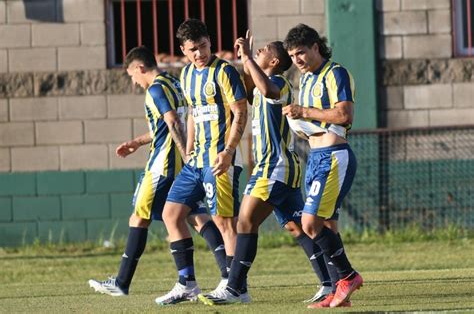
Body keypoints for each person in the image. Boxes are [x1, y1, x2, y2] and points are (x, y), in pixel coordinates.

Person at [196, 31, 332, 305]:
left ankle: (235, 287)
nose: (258, 52)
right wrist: (245, 61)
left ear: (273, 60)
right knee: (296, 227)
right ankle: (331, 282)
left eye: (263, 51)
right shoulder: (260, 85)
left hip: (275, 166)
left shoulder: (278, 83)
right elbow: (248, 90)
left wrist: (248, 58)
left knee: (245, 221)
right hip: (276, 167)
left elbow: (268, 89)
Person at [88, 46, 229, 297]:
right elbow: (166, 124)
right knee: (196, 216)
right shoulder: (174, 83)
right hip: (183, 166)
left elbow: (173, 121)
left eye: (132, 76)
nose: (134, 82)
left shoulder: (154, 89)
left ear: (139, 68)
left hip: (162, 167)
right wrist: (136, 142)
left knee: (138, 217)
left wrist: (186, 155)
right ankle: (227, 274)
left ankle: (122, 282)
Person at [154, 19, 248, 305]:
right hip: (196, 161)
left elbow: (240, 112)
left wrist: (230, 150)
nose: (199, 54)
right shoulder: (185, 75)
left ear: (210, 41)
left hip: (221, 158)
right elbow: (193, 112)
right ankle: (187, 284)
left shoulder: (225, 72)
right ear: (183, 50)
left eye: (203, 46)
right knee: (171, 214)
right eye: (193, 49)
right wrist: (190, 149)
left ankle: (236, 287)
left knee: (224, 222)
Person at [282, 24, 363, 308]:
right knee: (328, 224)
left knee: (310, 224)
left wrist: (303, 112)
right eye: (292, 55)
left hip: (333, 156)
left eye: (301, 53)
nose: (297, 60)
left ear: (316, 47)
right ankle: (337, 291)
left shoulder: (335, 73)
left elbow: (343, 115)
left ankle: (349, 276)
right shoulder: (305, 80)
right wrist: (300, 123)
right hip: (316, 157)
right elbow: (317, 122)